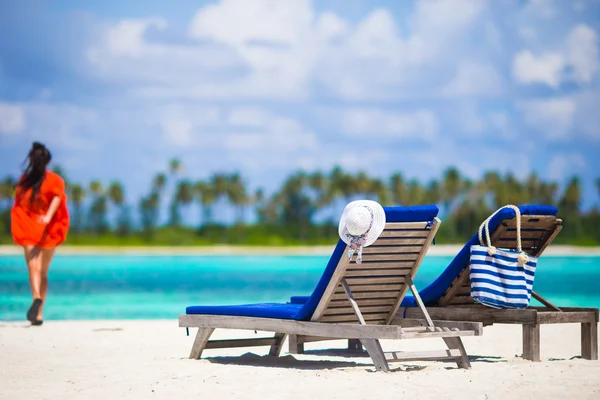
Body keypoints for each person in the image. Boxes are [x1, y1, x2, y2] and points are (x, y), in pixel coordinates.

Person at [11, 142, 70, 326]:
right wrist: (47, 217)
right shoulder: (55, 180)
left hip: (39, 227)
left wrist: (45, 217)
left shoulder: (26, 180)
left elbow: (22, 204)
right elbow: (57, 199)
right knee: (42, 271)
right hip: (45, 228)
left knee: (33, 267)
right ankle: (39, 312)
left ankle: (36, 298)